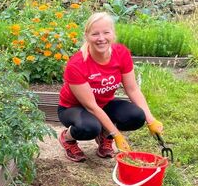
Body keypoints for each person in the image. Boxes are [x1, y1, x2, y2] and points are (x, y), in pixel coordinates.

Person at [57, 12, 164, 162]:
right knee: (90, 127)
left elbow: (132, 89)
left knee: (137, 116)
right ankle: (67, 138)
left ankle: (104, 136)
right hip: (73, 108)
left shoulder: (121, 54)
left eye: (106, 32)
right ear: (87, 36)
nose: (101, 38)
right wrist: (117, 134)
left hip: (104, 103)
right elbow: (91, 107)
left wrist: (151, 120)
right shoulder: (77, 64)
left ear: (113, 34)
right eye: (95, 34)